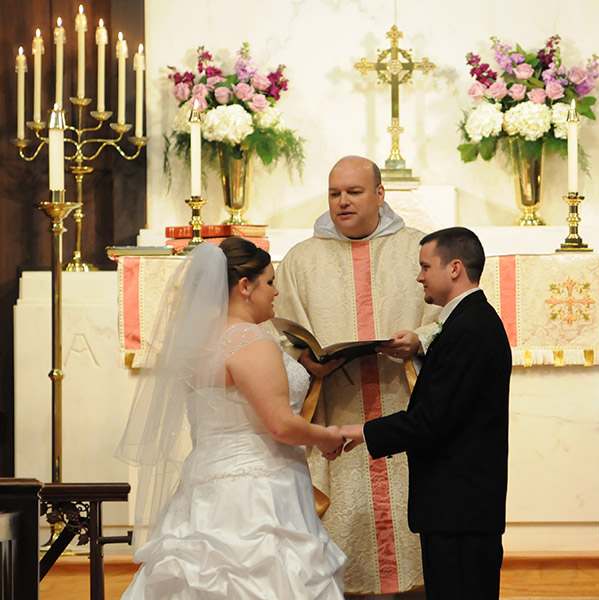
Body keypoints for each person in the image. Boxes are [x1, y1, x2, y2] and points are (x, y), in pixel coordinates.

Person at [115, 237, 347, 599]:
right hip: (259, 490)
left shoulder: (202, 341)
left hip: (207, 480)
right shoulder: (249, 340)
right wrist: (327, 436)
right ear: (244, 287)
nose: (275, 292)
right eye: (269, 282)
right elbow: (280, 425)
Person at [274, 156, 439, 598]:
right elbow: (281, 330)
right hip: (333, 410)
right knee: (341, 525)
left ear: (381, 195)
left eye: (354, 192)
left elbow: (449, 315)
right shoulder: (301, 260)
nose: (342, 202)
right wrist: (305, 360)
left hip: (402, 402)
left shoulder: (419, 249)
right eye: (334, 193)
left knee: (411, 523)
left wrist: (418, 340)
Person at [341, 227, 512, 600]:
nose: (419, 276)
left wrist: (362, 432)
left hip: (460, 506)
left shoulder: (470, 326)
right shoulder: (465, 321)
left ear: (454, 268)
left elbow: (433, 419)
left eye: (424, 266)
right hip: (459, 504)